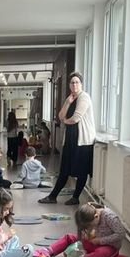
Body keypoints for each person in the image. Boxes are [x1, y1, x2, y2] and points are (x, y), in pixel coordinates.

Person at [39, 72, 95, 206]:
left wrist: (65, 120)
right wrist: (67, 103)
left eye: (77, 82)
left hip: (83, 140)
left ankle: (75, 197)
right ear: (69, 85)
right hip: (70, 139)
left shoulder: (84, 97)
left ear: (81, 84)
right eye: (72, 82)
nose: (74, 85)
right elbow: (60, 115)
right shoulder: (70, 98)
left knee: (81, 171)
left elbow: (76, 118)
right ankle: (53, 196)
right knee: (64, 169)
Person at [33, 203, 127, 257]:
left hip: (109, 246)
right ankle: (48, 251)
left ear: (96, 216)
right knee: (69, 237)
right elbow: (91, 230)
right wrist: (88, 235)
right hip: (94, 242)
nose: (89, 228)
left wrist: (100, 241)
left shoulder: (110, 217)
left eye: (89, 226)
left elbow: (121, 234)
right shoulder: (90, 211)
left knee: (101, 254)